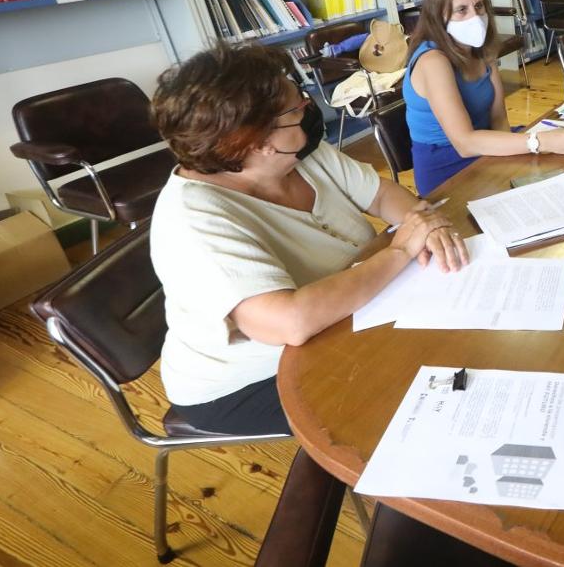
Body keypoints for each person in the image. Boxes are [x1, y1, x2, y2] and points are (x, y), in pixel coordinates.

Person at [150, 43, 471, 435]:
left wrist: (426, 224)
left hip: (344, 317)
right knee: (421, 402)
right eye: (296, 109)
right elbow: (289, 322)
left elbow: (381, 194)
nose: (307, 107)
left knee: (452, 343)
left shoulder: (298, 154)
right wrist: (402, 248)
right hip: (251, 379)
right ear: (256, 141)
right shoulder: (193, 220)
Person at [405, 0, 564, 195]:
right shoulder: (433, 62)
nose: (475, 17)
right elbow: (465, 143)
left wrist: (517, 162)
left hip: (487, 147)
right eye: (461, 10)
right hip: (449, 169)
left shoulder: (482, 50)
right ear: (439, 16)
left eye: (479, 6)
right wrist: (539, 142)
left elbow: (499, 119)